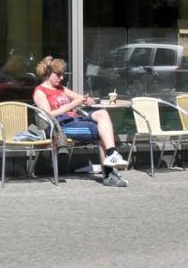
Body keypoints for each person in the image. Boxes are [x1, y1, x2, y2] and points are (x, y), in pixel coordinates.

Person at [32, 56, 128, 187]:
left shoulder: (60, 88)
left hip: (74, 120)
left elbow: (79, 98)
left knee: (103, 114)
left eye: (62, 75)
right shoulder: (40, 91)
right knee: (102, 132)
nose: (61, 78)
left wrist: (87, 99)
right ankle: (108, 174)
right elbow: (48, 114)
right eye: (58, 75)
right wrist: (72, 105)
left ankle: (111, 154)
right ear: (48, 73)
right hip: (61, 125)